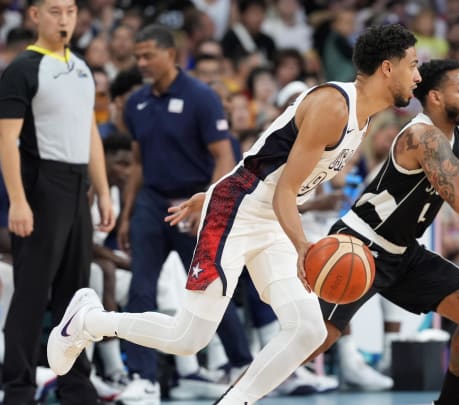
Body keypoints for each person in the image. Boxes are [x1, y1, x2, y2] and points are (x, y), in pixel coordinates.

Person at [47, 23, 421, 404]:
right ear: (388, 68)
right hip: (242, 211)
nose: (419, 75)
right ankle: (90, 321)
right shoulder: (334, 106)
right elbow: (283, 191)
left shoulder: (364, 117)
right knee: (188, 337)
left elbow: (264, 155)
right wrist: (302, 246)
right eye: (413, 65)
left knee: (309, 329)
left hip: (266, 213)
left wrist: (212, 192)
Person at [308, 59, 459, 405]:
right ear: (435, 97)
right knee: (314, 341)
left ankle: (451, 402)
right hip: (361, 244)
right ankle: (243, 394)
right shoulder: (421, 135)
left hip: (403, 252)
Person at [105, 24, 253, 401]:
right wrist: (127, 216)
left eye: (147, 55)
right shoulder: (137, 102)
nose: (141, 63)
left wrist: (206, 201)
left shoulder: (201, 97)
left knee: (208, 290)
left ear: (170, 54)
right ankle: (145, 378)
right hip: (151, 204)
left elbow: (225, 157)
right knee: (141, 288)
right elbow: (137, 163)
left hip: (192, 204)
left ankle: (242, 365)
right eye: (137, 56)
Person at [0, 0, 115, 403]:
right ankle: (17, 387)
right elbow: (6, 140)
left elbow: (90, 134)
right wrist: (18, 200)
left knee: (76, 292)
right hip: (40, 184)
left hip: (77, 183)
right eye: (54, 10)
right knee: (32, 292)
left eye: (69, 10)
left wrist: (101, 192)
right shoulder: (22, 70)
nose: (64, 18)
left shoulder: (82, 69)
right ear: (34, 16)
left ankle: (76, 385)